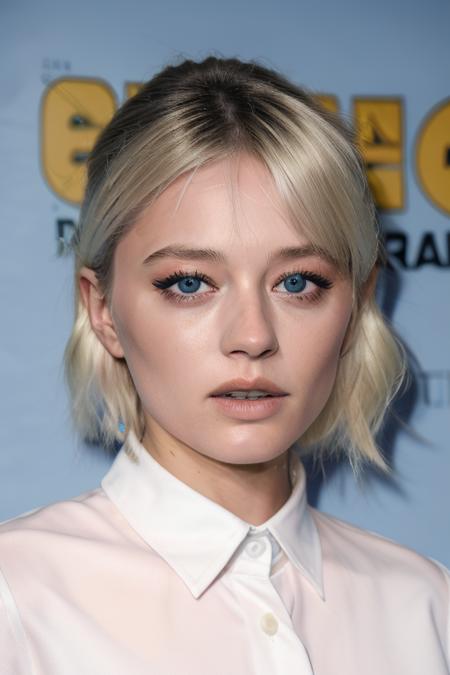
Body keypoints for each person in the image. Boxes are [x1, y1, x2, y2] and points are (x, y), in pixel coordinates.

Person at [0, 56, 448, 675]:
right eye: (189, 283)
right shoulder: (15, 598)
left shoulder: (429, 606)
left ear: (359, 304)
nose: (253, 337)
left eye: (298, 282)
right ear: (103, 309)